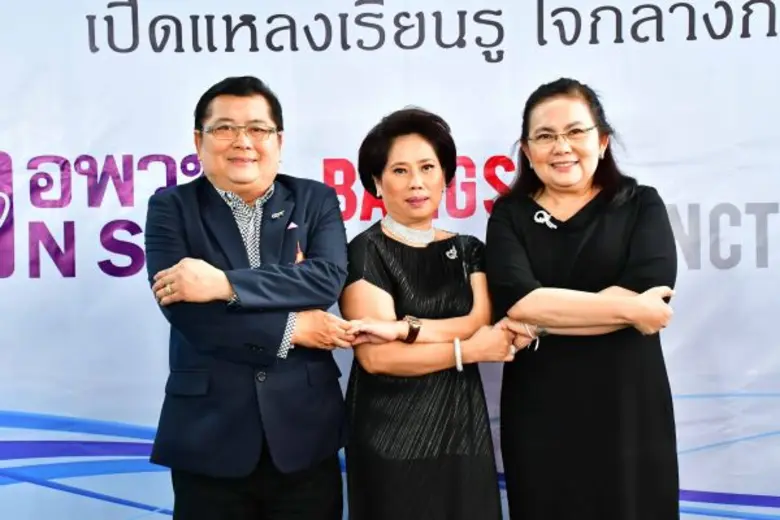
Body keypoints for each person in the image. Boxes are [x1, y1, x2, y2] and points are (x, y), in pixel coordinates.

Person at [144, 76, 353, 520]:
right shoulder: (170, 208)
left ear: (279, 140)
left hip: (305, 432)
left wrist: (223, 285)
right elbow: (191, 315)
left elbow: (325, 280)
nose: (243, 142)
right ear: (199, 141)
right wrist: (293, 328)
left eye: (258, 129)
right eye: (225, 128)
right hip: (208, 435)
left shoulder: (314, 199)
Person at [485, 77, 680, 519]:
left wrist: (542, 318)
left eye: (576, 131)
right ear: (526, 149)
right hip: (542, 408)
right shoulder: (509, 214)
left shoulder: (640, 204)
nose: (562, 147)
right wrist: (630, 310)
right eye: (545, 136)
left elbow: (652, 287)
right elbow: (521, 301)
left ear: (602, 140)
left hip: (628, 404)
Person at [338, 107, 521, 520]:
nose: (416, 182)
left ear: (446, 176)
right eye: (399, 170)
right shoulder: (364, 251)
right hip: (390, 438)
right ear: (376, 182)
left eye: (427, 167)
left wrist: (403, 329)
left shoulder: (470, 249)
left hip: (463, 431)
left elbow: (478, 322)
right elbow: (378, 357)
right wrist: (466, 351)